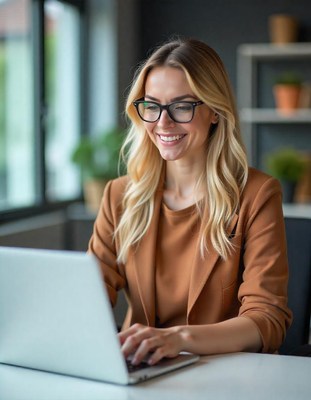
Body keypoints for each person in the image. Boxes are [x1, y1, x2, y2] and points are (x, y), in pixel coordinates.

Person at [88, 37, 292, 366]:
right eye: (151, 105)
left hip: (226, 373)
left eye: (182, 106)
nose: (162, 123)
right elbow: (89, 295)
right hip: (143, 370)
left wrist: (179, 339)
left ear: (214, 111)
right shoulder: (120, 196)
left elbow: (267, 319)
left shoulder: (257, 194)